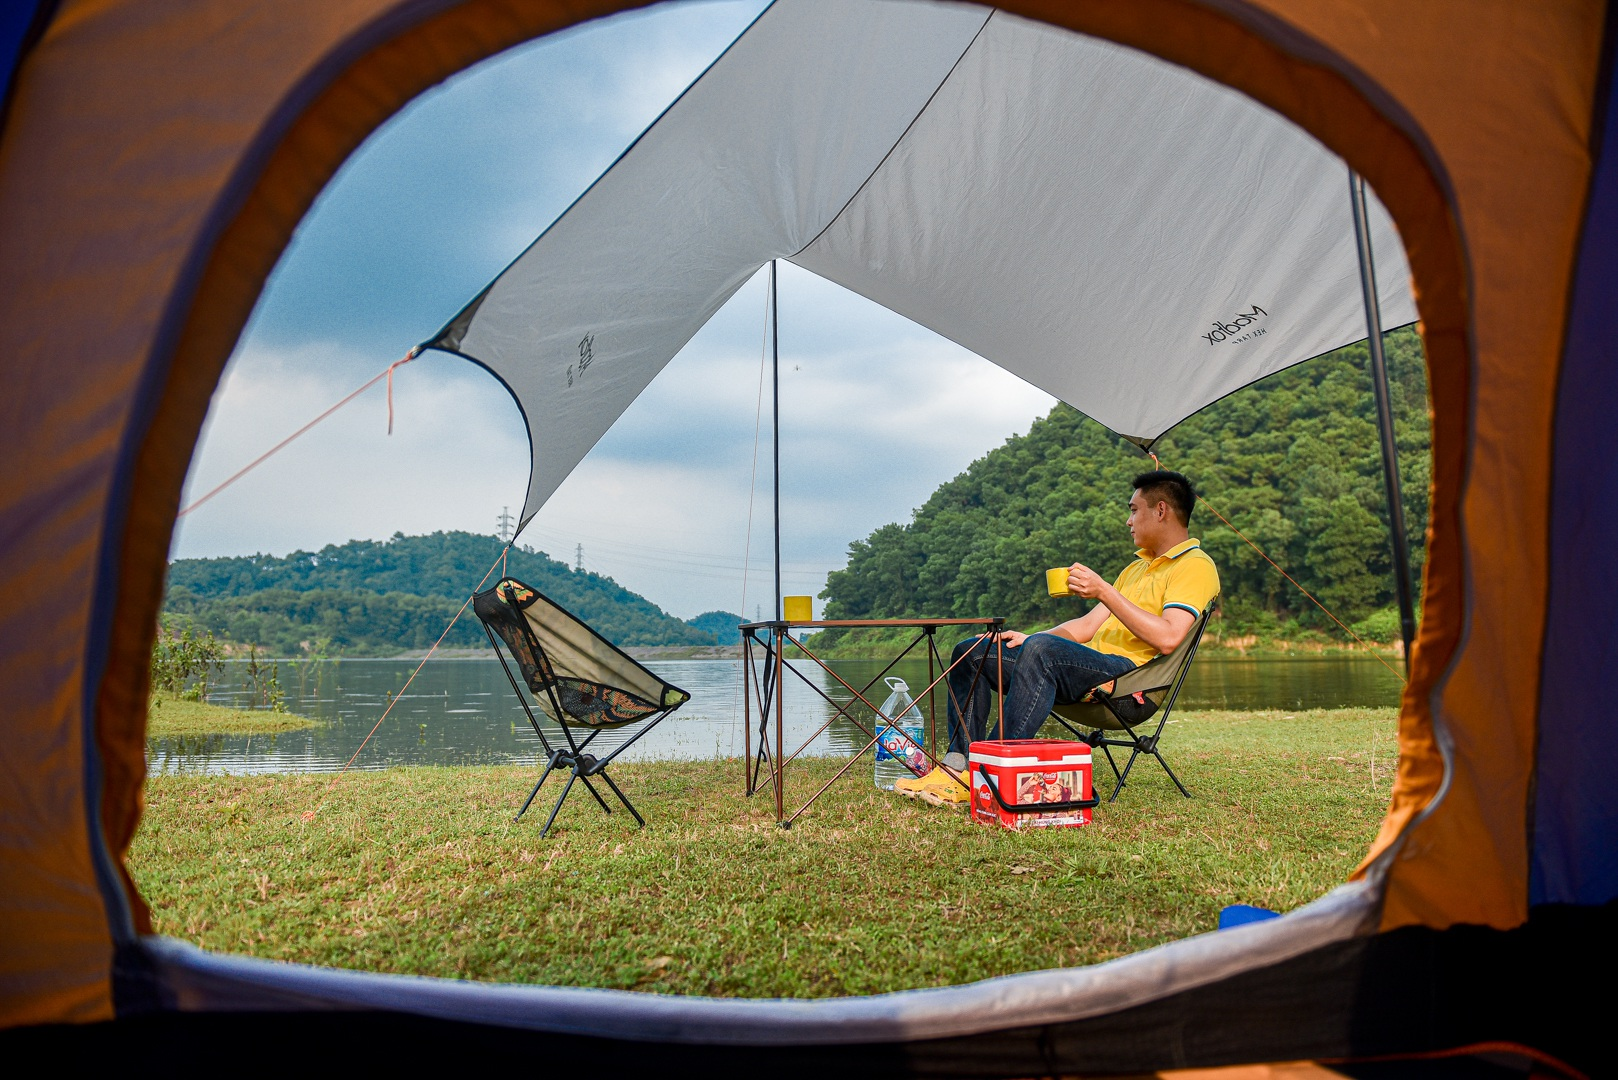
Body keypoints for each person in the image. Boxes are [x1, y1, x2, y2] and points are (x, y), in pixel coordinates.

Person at [895, 469, 1219, 805]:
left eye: (1134, 510)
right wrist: (1028, 638)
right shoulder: (1135, 568)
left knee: (1043, 651)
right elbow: (1085, 628)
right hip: (1082, 669)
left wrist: (1104, 591)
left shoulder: (1195, 566)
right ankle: (956, 768)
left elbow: (1168, 638)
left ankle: (984, 774)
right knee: (973, 651)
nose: (1128, 521)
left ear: (1161, 510)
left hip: (1128, 684)